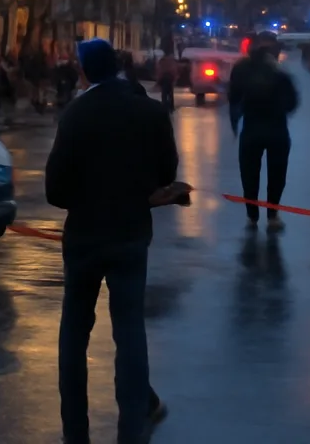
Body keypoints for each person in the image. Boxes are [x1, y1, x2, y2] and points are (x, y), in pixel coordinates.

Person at [46, 38, 181, 444]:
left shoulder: (76, 114)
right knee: (129, 328)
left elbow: (55, 190)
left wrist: (85, 199)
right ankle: (134, 421)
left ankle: (75, 427)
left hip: (85, 235)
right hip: (130, 233)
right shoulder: (151, 111)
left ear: (84, 70)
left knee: (74, 330)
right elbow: (166, 172)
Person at [228, 31, 299, 231]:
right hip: (277, 128)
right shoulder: (279, 72)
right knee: (277, 174)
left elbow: (233, 97)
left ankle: (252, 215)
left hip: (251, 127)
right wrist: (280, 107)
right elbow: (292, 101)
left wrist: (235, 123)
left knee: (249, 174)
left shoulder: (241, 69)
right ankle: (273, 215)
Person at [155, 37, 178, 112]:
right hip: (169, 77)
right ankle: (171, 106)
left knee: (164, 93)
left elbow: (160, 70)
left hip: (165, 78)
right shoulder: (171, 60)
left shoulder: (162, 61)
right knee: (170, 93)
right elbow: (174, 69)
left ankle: (165, 106)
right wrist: (175, 78)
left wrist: (158, 80)